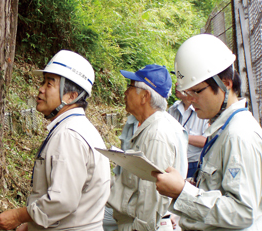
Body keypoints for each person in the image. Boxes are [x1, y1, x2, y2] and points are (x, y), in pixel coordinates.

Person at [0, 50, 111, 231]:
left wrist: (18, 216)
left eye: (49, 84)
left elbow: (63, 200)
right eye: (43, 82)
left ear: (71, 96)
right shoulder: (79, 128)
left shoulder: (69, 135)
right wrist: (31, 224)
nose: (41, 88)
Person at [153, 34, 262, 230]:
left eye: (197, 91)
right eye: (188, 92)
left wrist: (182, 192)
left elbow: (243, 212)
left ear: (226, 84)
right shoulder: (222, 128)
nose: (192, 99)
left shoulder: (239, 134)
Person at [106, 64, 188, 231]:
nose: (125, 92)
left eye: (130, 86)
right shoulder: (153, 126)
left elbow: (152, 195)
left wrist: (140, 228)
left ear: (145, 96)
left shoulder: (156, 135)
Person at [168, 82, 209, 178]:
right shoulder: (173, 109)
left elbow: (206, 141)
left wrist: (181, 136)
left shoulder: (203, 111)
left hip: (193, 164)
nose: (177, 84)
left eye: (181, 81)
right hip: (173, 162)